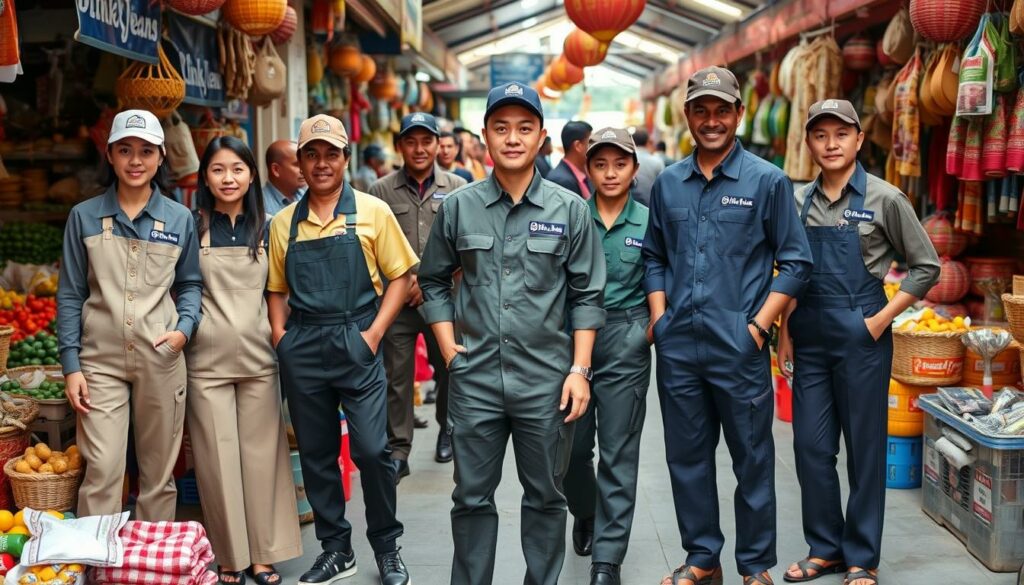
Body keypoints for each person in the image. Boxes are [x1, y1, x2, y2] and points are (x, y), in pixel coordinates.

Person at [418, 82, 607, 585]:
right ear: (485, 137)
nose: (513, 138)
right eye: (501, 128)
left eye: (525, 128)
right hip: (475, 378)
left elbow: (588, 296)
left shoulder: (570, 211)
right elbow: (433, 278)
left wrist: (579, 371)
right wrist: (446, 347)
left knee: (546, 495)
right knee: (471, 498)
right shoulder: (459, 207)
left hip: (546, 381)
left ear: (542, 137)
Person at [644, 67, 812, 585]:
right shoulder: (669, 183)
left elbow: (797, 261)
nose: (711, 121)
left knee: (753, 461)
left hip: (738, 347)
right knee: (686, 460)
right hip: (679, 350)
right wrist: (660, 319)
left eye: (722, 110)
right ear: (689, 116)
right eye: (701, 110)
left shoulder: (768, 181)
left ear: (738, 114)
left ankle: (754, 564)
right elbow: (653, 256)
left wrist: (759, 327)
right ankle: (702, 557)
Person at [778, 100, 940, 585]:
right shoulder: (795, 200)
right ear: (809, 142)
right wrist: (785, 334)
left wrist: (880, 320)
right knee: (810, 446)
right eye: (821, 135)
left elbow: (926, 266)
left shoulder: (886, 199)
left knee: (865, 450)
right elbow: (790, 270)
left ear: (858, 140)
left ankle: (861, 558)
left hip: (861, 334)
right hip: (808, 334)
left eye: (841, 134)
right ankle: (824, 548)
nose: (831, 144)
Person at [267, 114, 416, 585]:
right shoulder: (284, 224)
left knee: (373, 451)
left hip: (357, 339)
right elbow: (274, 288)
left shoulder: (373, 212)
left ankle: (387, 548)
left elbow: (401, 278)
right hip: (304, 345)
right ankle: (336, 549)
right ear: (300, 163)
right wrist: (280, 335)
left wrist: (372, 335)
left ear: (345, 159)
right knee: (316, 453)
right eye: (311, 154)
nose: (322, 163)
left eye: (331, 154)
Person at [57, 109, 202, 520]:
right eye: (125, 150)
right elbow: (70, 293)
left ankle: (150, 565)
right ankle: (98, 566)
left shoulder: (179, 218)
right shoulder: (83, 216)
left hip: (162, 356)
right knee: (102, 468)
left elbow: (191, 283)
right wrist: (71, 365)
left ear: (160, 158)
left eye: (145, 151)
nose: (135, 160)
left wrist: (184, 331)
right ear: (110, 155)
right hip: (99, 361)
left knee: (158, 474)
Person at [186, 136, 303, 585]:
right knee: (216, 460)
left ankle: (264, 556)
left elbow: (283, 292)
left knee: (263, 459)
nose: (228, 178)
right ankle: (230, 557)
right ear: (206, 178)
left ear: (252, 174)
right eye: (218, 170)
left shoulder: (271, 227)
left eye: (237, 168)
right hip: (206, 361)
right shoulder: (191, 226)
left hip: (259, 357)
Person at [562, 127, 651, 585]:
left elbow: (662, 282)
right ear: (587, 168)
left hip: (626, 339)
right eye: (600, 164)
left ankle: (607, 560)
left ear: (634, 169)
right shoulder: (571, 216)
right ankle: (586, 509)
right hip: (574, 338)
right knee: (573, 450)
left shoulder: (650, 223)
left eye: (620, 163)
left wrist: (646, 332)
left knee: (619, 452)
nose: (610, 172)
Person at [369, 113, 468, 477]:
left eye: (427, 141)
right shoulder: (380, 190)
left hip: (445, 301)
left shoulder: (458, 186)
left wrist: (430, 281)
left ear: (438, 145)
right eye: (411, 142)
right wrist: (405, 280)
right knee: (397, 376)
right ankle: (399, 449)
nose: (420, 149)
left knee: (449, 369)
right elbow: (373, 244)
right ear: (400, 147)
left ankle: (447, 428)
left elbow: (466, 244)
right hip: (399, 302)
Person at [547, 121, 593, 199]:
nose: (594, 147)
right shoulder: (561, 181)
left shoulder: (580, 174)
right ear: (578, 146)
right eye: (591, 143)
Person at [263, 139, 306, 215]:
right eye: (297, 165)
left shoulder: (308, 197)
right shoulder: (258, 205)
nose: (304, 170)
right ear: (276, 170)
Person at [630, 129, 665, 207]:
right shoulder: (657, 161)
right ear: (647, 142)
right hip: (651, 207)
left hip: (629, 207)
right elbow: (662, 187)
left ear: (633, 142)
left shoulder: (628, 160)